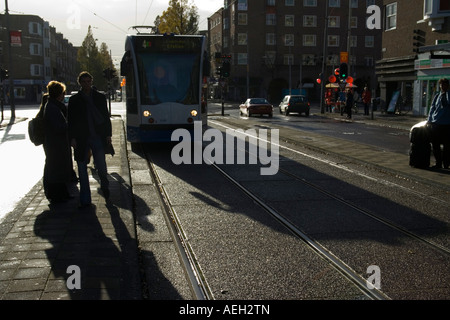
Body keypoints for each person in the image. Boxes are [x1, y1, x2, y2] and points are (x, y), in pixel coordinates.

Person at [68, 71, 112, 208]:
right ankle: (85, 199)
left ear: (91, 82)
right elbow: (71, 121)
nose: (86, 84)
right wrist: (72, 138)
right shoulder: (74, 100)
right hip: (81, 138)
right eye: (84, 82)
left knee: (101, 166)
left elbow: (105, 117)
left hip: (97, 136)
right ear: (80, 83)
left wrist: (108, 135)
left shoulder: (99, 97)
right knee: (82, 168)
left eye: (88, 81)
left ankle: (105, 186)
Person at [42, 81, 73, 203]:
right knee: (56, 168)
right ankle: (57, 194)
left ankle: (60, 193)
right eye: (63, 93)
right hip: (56, 144)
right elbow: (58, 127)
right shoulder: (53, 108)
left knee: (56, 168)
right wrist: (68, 125)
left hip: (55, 143)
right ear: (59, 94)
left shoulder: (52, 106)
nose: (64, 96)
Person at [427, 78, 450, 169]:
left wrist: (447, 93)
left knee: (447, 146)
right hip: (436, 123)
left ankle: (446, 164)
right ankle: (438, 163)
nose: (442, 87)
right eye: (441, 85)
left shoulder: (448, 94)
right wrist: (429, 120)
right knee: (435, 145)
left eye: (444, 85)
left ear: (448, 86)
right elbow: (432, 109)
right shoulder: (437, 96)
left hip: (447, 124)